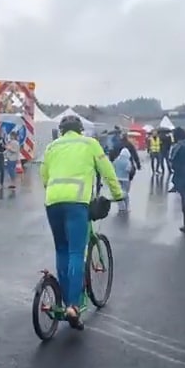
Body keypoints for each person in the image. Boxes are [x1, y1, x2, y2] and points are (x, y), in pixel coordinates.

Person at [41, 114, 123, 329]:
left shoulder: (52, 147)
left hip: (53, 200)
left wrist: (54, 191)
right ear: (80, 130)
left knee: (61, 250)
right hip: (77, 202)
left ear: (61, 130)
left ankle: (66, 299)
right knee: (77, 253)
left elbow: (44, 176)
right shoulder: (90, 144)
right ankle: (73, 306)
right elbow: (107, 171)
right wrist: (118, 193)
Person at [113, 146, 132, 212]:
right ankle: (127, 207)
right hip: (125, 179)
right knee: (125, 193)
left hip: (117, 178)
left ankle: (121, 207)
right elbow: (128, 169)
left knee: (119, 193)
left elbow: (113, 167)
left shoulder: (117, 159)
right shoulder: (128, 161)